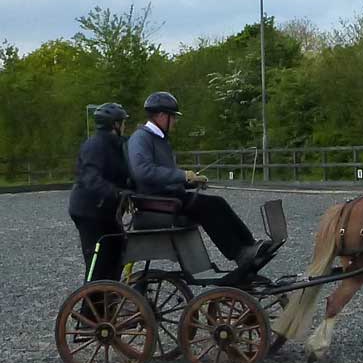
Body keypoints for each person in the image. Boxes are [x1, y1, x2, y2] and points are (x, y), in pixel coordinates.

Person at [127, 91, 270, 273]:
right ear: (162, 115)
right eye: (173, 117)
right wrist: (182, 176)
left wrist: (191, 182)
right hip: (157, 200)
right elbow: (143, 172)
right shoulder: (141, 138)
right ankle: (239, 253)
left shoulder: (158, 139)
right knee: (208, 207)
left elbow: (165, 175)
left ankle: (249, 246)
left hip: (167, 196)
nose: (175, 122)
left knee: (218, 202)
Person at [69, 102, 130, 283]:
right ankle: (89, 307)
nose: (125, 126)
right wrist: (117, 193)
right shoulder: (94, 146)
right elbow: (90, 179)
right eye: (123, 122)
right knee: (98, 262)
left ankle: (109, 297)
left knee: (119, 250)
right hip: (89, 212)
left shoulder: (119, 144)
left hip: (107, 210)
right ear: (115, 125)